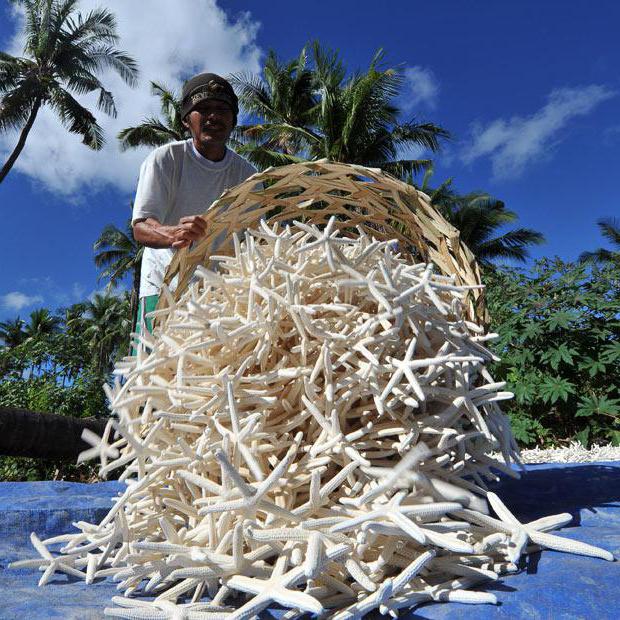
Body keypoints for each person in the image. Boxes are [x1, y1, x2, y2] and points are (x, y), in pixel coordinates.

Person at [131, 72, 257, 335]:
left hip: (221, 296)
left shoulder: (248, 177)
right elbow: (142, 227)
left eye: (222, 109)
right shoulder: (166, 159)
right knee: (157, 370)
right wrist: (173, 233)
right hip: (165, 287)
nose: (213, 116)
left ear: (233, 120)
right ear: (187, 119)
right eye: (203, 109)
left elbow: (256, 240)